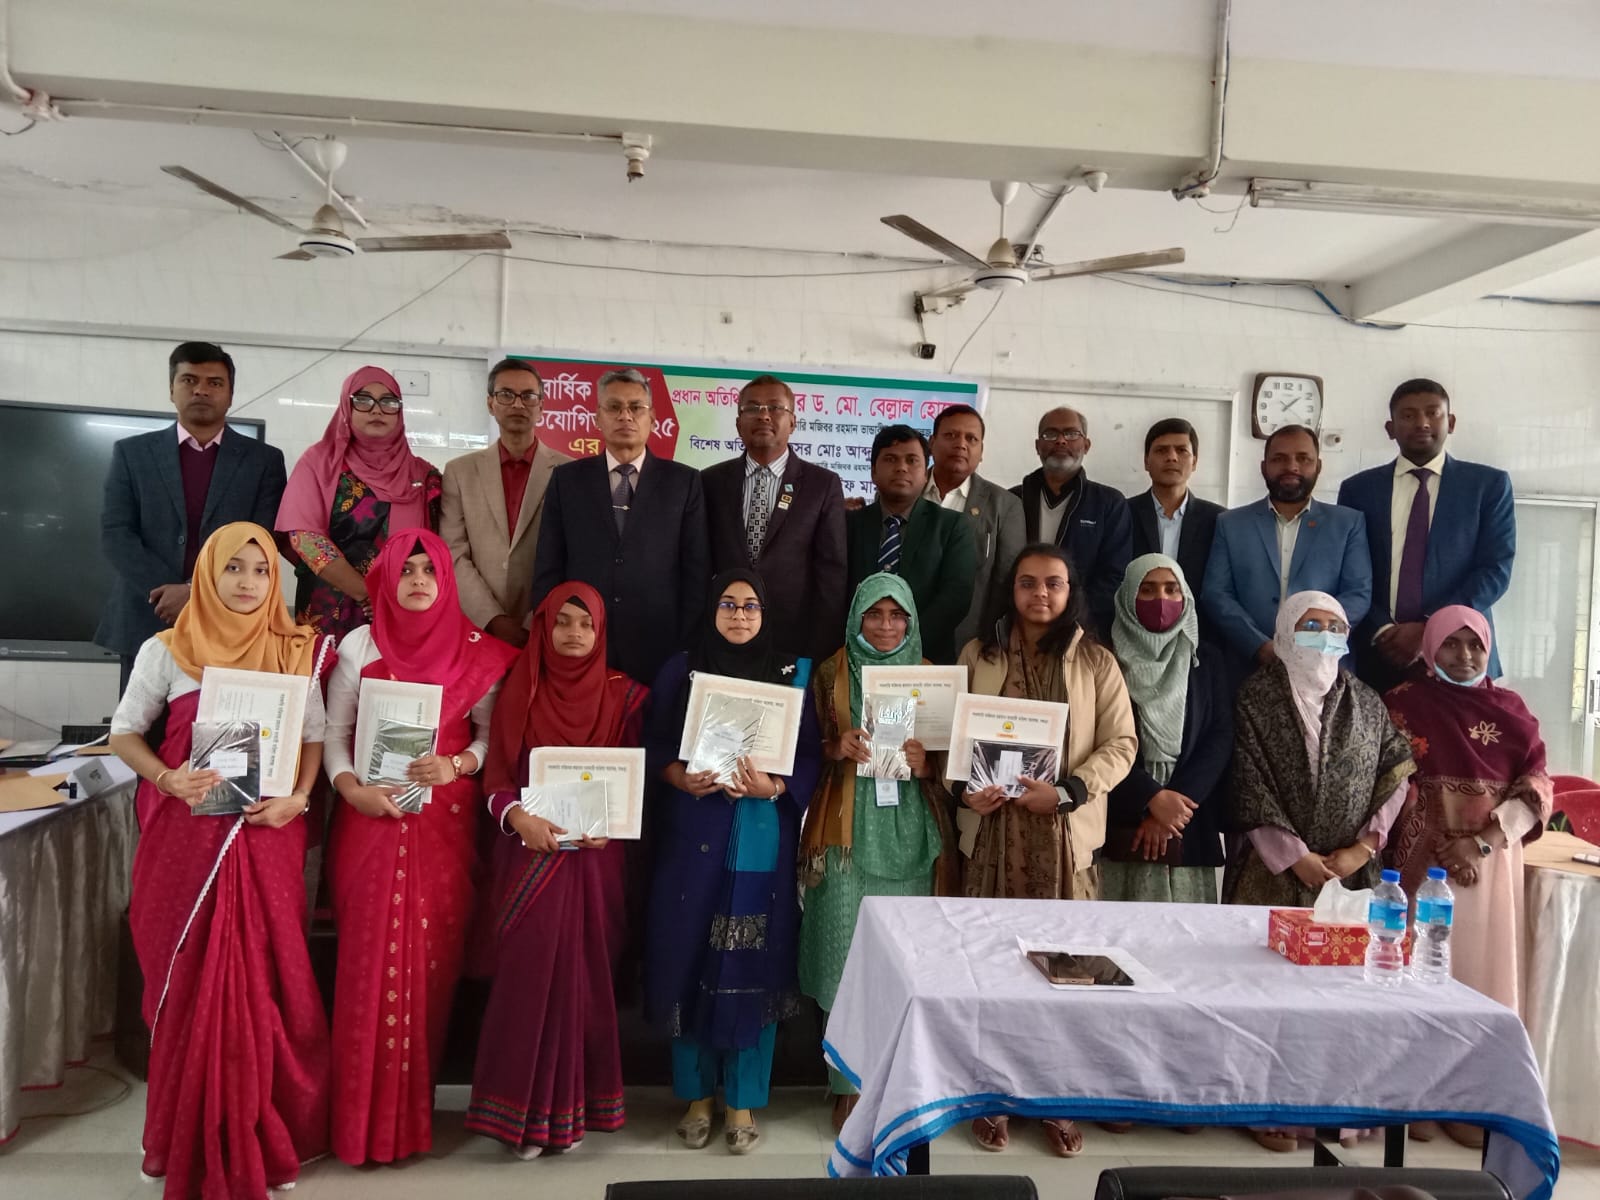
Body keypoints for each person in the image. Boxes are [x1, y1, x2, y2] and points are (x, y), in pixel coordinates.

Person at [107, 522, 332, 1198]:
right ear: (207, 573)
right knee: (185, 981)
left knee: (261, 982)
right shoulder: (166, 650)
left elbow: (313, 740)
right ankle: (179, 1136)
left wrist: (298, 797)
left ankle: (261, 1132)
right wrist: (167, 778)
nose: (247, 582)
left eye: (261, 570)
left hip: (265, 837)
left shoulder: (294, 650)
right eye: (233, 567)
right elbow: (123, 733)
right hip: (186, 840)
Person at [321, 529, 517, 1166]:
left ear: (445, 580)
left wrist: (456, 765)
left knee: (429, 974)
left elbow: (488, 740)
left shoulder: (475, 650)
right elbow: (334, 735)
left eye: (428, 570)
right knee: (366, 968)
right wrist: (350, 790)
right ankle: (357, 1127)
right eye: (405, 570)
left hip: (444, 829)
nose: (417, 581)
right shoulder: (360, 645)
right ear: (384, 578)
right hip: (368, 824)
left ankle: (407, 1126)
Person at [955, 543, 1136, 1158]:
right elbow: (953, 737)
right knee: (991, 968)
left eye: (1053, 583)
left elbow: (1122, 744)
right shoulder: (978, 655)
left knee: (1068, 972)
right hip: (993, 838)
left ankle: (1057, 1098)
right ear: (1010, 589)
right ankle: (993, 1096)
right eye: (1028, 582)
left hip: (1062, 835)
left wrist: (1066, 792)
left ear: (1069, 591)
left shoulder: (1095, 661)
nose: (1040, 594)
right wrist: (965, 789)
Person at [1224, 590, 1415, 1155]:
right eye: (1312, 625)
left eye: (1336, 627)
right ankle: (1265, 1108)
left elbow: (1396, 774)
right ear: (1286, 630)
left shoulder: (1366, 701)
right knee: (1267, 996)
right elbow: (1248, 782)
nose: (1326, 636)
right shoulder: (1256, 697)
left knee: (1341, 1000)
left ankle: (1338, 1110)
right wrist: (1294, 855)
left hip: (1348, 876)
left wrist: (1363, 847)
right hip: (1273, 871)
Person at [465, 583, 648, 1160]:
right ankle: (520, 1117)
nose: (573, 633)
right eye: (562, 622)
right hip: (530, 855)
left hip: (596, 862)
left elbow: (637, 784)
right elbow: (495, 779)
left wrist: (613, 822)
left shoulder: (625, 696)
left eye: (585, 624)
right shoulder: (518, 686)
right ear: (542, 627)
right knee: (528, 980)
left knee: (585, 982)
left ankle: (576, 1111)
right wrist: (518, 818)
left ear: (601, 632)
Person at [643, 569, 821, 1155]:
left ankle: (742, 1100)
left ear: (765, 613)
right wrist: (679, 777)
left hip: (760, 838)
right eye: (727, 604)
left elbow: (809, 757)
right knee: (692, 956)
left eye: (750, 606)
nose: (739, 615)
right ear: (711, 610)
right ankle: (697, 1097)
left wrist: (775, 787)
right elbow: (654, 745)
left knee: (751, 964)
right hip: (693, 836)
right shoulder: (682, 670)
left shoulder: (791, 673)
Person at [797, 573, 958, 1133]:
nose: (886, 626)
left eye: (897, 615)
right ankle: (848, 1085)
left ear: (911, 621)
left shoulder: (932, 678)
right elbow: (798, 749)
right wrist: (833, 747)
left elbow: (957, 764)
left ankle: (898, 1084)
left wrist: (928, 765)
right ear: (856, 618)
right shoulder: (829, 673)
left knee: (906, 965)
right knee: (844, 959)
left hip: (913, 832)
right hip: (846, 835)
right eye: (874, 614)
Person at [1384, 607, 1553, 1016]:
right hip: (1420, 867)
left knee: (1483, 975)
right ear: (1430, 648)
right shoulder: (1403, 704)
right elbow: (1385, 785)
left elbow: (1536, 790)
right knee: (1414, 986)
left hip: (1489, 868)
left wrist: (1479, 844)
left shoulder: (1512, 712)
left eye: (1476, 645)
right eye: (1451, 643)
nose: (1465, 655)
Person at [97, 341, 287, 691]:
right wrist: (168, 592)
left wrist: (194, 591)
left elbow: (263, 538)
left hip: (230, 622)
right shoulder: (132, 453)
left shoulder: (264, 461)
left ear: (230, 394)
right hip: (147, 615)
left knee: (223, 722)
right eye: (189, 380)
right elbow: (117, 532)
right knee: (141, 722)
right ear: (172, 390)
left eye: (214, 382)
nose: (201, 390)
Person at [532, 367, 709, 684]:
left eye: (636, 407)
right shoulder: (567, 480)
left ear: (652, 418)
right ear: (597, 418)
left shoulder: (684, 482)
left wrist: (686, 644)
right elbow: (549, 564)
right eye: (614, 407)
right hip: (582, 640)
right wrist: (550, 630)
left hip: (659, 644)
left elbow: (696, 571)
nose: (625, 416)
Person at [1336, 380, 1516, 692]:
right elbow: (1350, 572)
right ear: (1390, 428)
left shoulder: (1487, 486)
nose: (1422, 423)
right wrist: (1382, 630)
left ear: (1451, 422)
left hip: (1460, 657)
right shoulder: (1358, 490)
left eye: (1433, 413)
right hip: (1378, 652)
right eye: (1408, 415)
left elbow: (1495, 569)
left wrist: (1430, 628)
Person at [276, 366, 441, 640]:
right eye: (363, 400)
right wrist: (368, 594)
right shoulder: (320, 463)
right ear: (346, 406)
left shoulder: (424, 476)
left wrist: (395, 597)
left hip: (401, 610)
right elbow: (305, 538)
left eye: (388, 402)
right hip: (329, 608)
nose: (377, 410)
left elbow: (437, 548)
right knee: (327, 668)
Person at [1104, 553, 1232, 904]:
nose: (1161, 599)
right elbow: (1097, 738)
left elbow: (1220, 735)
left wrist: (1175, 806)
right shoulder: (1103, 658)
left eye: (1171, 589)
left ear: (1185, 596)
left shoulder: (1206, 659)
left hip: (1188, 817)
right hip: (1123, 812)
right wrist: (1150, 798)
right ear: (1128, 596)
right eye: (1147, 589)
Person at [702, 375, 849, 663]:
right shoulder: (710, 481)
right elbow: (701, 561)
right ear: (738, 424)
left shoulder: (822, 484)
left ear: (792, 422)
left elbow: (831, 572)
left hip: (793, 640)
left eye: (775, 407)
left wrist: (820, 650)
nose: (764, 415)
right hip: (724, 639)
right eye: (752, 408)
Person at [1203, 426, 1372, 670]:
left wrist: (1312, 642)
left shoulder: (1348, 523)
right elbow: (1217, 594)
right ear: (1264, 467)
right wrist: (1258, 645)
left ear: (1318, 466)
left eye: (1303, 459)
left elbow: (1358, 593)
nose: (1291, 466)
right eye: (1279, 459)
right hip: (1247, 664)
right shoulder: (1230, 524)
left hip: (1325, 665)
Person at [440, 357, 571, 649]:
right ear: (490, 404)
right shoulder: (460, 471)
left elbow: (571, 553)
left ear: (541, 406)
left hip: (543, 627)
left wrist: (533, 621)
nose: (518, 404)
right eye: (506, 395)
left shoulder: (569, 472)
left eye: (528, 396)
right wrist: (492, 619)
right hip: (475, 627)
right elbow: (453, 552)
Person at [844, 425, 976, 664]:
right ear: (873, 472)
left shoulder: (953, 526)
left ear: (925, 474)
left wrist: (904, 641)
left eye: (912, 460)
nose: (901, 467)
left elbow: (956, 596)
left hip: (926, 658)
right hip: (855, 655)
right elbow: (837, 590)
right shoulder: (848, 524)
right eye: (890, 459)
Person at [1010, 407, 1131, 639]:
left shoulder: (1109, 503)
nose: (1061, 441)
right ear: (1037, 445)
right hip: (1019, 628)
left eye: (1071, 433)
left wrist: (1067, 614)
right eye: (1050, 434)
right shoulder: (1013, 499)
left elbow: (1114, 576)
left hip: (1083, 632)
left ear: (1086, 445)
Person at [925, 403, 1027, 652]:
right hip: (903, 639)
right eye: (951, 435)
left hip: (970, 645)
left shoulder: (1005, 506)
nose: (961, 444)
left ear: (981, 452)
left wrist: (990, 644)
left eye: (971, 439)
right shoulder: (905, 494)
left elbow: (1007, 583)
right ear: (932, 443)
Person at [1127, 419, 1223, 637]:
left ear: (1194, 462)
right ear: (1146, 461)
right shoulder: (1122, 514)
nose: (1171, 457)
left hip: (1200, 639)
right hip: (1134, 635)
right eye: (1161, 450)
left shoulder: (1218, 520)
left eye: (1181, 450)